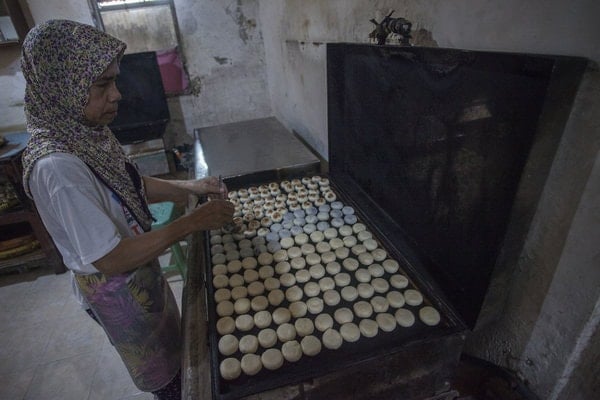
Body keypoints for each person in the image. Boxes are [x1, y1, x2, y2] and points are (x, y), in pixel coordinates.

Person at [20, 19, 234, 399]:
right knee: (170, 381)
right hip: (116, 287)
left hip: (139, 269)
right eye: (102, 84)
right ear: (62, 84)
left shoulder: (83, 132)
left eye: (113, 81)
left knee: (179, 351)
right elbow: (109, 258)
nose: (116, 95)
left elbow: (126, 186)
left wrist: (190, 186)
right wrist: (191, 222)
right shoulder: (59, 165)